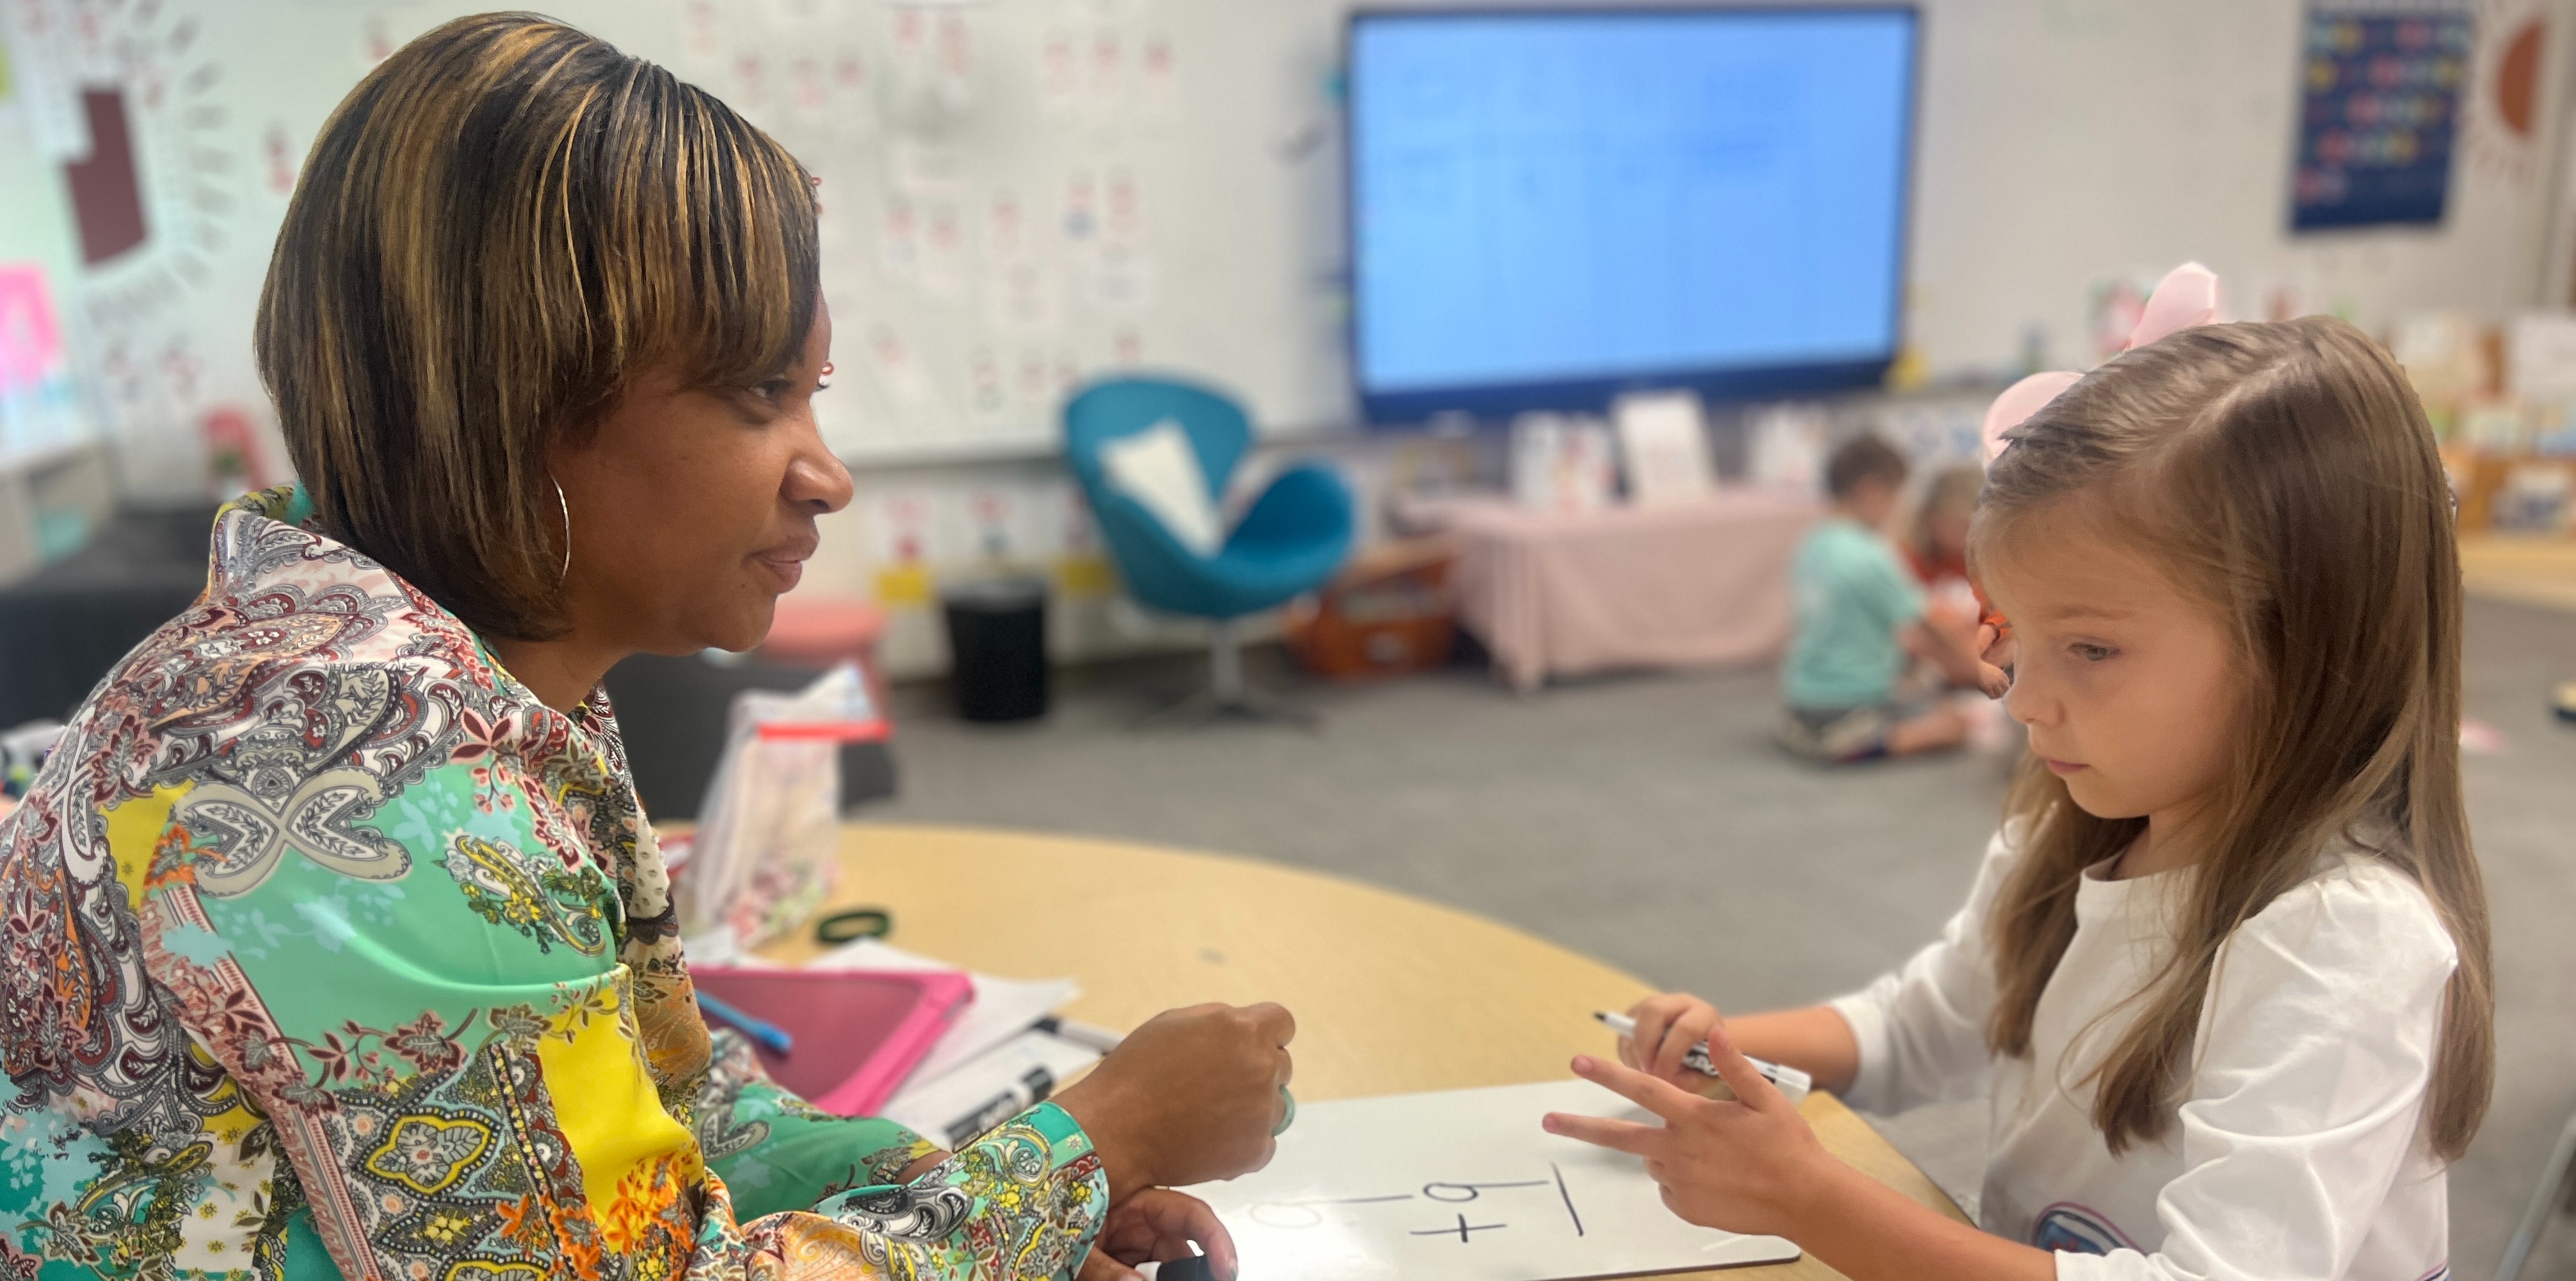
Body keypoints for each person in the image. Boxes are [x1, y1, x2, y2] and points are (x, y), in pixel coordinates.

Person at [0, 16, 1289, 1281]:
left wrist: (1010, 1203)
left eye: (811, 397)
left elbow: (680, 1111)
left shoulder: (437, 670)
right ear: (527, 394)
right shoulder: (390, 798)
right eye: (757, 396)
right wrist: (1098, 1136)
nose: (826, 475)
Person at [1547, 317, 2493, 1280]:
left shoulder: (2341, 940)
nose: (2022, 699)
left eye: (2089, 649)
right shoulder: (2075, 827)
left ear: (2303, 647)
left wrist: (1810, 1200)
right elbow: (1921, 1026)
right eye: (2011, 635)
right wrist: (1720, 1050)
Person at [1776, 436, 1992, 763]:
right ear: (1872, 489)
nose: (1898, 509)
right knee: (1954, 724)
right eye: (1897, 496)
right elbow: (1935, 625)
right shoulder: (1869, 555)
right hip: (1852, 701)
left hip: (1801, 697)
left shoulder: (1812, 544)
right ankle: (1865, 741)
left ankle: (1818, 736)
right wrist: (1990, 677)